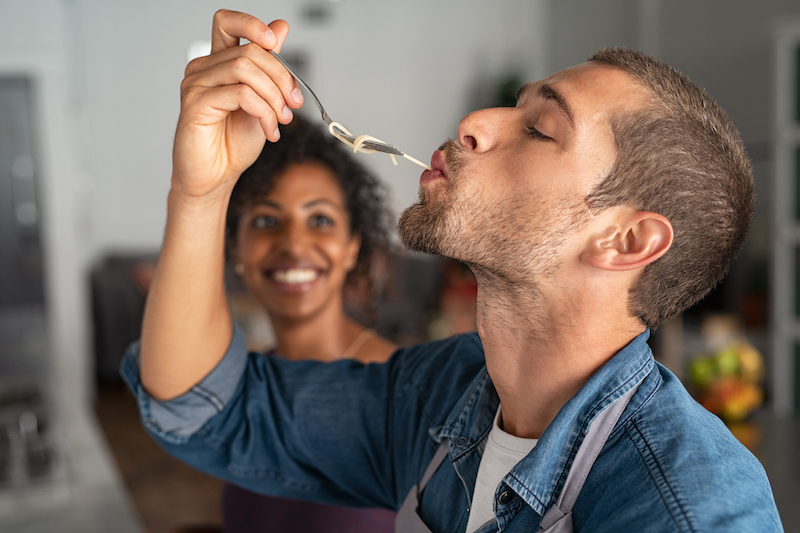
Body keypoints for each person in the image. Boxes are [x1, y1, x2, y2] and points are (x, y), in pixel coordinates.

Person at [122, 9, 783, 533]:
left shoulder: (684, 505)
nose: (472, 123)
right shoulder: (441, 394)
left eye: (540, 130)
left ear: (625, 239)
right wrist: (202, 190)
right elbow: (205, 409)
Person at [219, 115, 397, 531]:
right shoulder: (241, 386)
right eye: (266, 220)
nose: (294, 244)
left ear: (353, 247)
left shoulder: (401, 388)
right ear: (236, 248)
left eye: (320, 220)